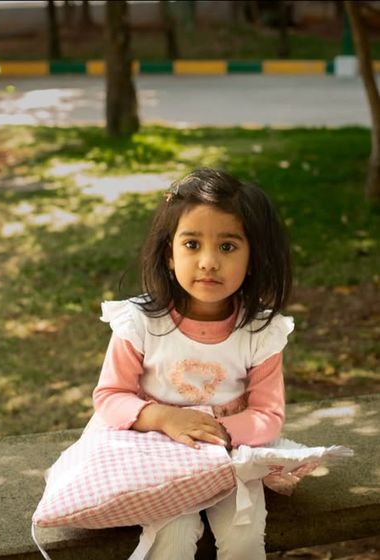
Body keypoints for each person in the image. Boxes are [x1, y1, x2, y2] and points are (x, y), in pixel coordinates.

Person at [90, 167, 294, 560]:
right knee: (174, 537)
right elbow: (110, 395)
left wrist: (217, 432)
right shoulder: (142, 323)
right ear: (169, 254)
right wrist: (164, 418)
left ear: (253, 258)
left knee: (244, 536)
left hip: (229, 455)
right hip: (157, 452)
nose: (208, 262)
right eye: (192, 244)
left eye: (228, 247)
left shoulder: (259, 331)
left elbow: (268, 414)